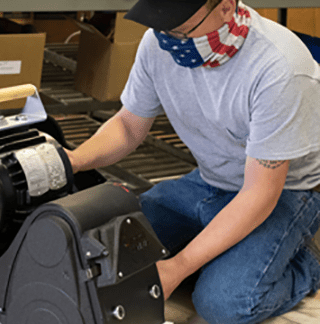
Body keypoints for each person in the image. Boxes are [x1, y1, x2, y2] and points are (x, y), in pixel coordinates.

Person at [66, 0, 320, 323]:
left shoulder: (278, 67)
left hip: (284, 192)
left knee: (223, 304)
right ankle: (217, 254)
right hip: (209, 180)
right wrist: (71, 160)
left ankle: (306, 263)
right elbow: (128, 126)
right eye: (160, 27)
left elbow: (260, 195)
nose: (168, 38)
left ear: (226, 7)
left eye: (179, 28)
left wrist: (177, 267)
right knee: (107, 245)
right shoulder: (158, 44)